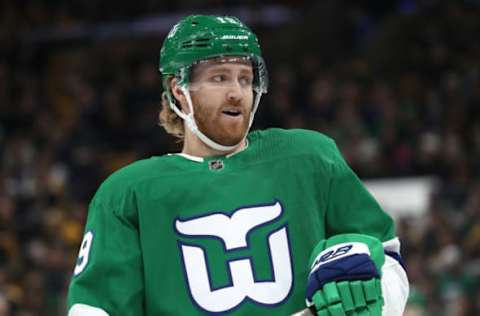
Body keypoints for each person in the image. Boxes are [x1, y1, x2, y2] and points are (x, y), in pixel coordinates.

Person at [67, 15, 409, 316]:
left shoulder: (310, 157)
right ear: (179, 90)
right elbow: (94, 309)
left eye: (244, 78)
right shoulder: (127, 193)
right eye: (219, 78)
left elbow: (387, 256)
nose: (236, 92)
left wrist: (377, 304)